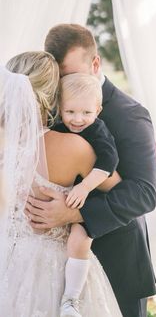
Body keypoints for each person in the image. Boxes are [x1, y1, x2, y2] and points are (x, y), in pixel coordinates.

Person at [26, 23, 156, 317]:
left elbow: (143, 194)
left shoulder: (130, 115)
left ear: (95, 63)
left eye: (70, 74)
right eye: (57, 77)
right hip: (55, 264)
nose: (63, 85)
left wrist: (75, 212)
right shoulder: (53, 106)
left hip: (117, 260)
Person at [0, 51, 122, 317]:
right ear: (54, 98)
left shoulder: (3, 145)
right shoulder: (74, 147)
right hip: (55, 267)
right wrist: (77, 209)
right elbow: (117, 187)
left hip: (6, 262)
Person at [54, 72, 120, 315]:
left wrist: (84, 187)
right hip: (65, 189)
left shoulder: (98, 130)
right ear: (60, 107)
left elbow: (108, 162)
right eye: (70, 112)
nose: (78, 119)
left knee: (80, 238)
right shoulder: (57, 125)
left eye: (86, 113)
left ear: (98, 110)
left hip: (90, 190)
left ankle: (70, 299)